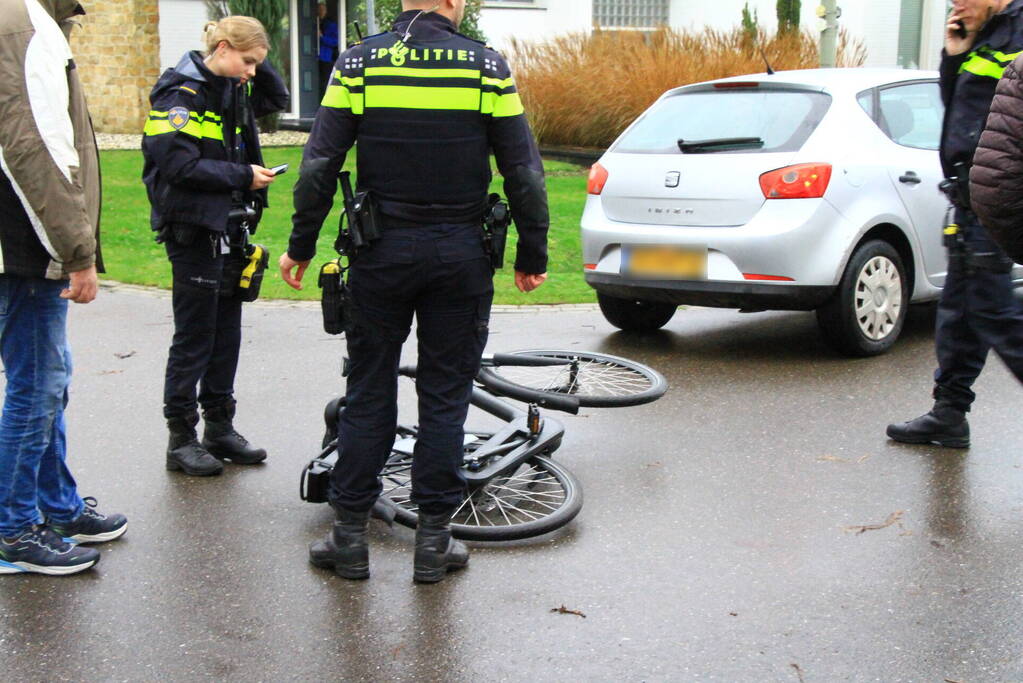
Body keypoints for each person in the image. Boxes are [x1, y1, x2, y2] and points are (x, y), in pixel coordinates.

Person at [280, 0, 549, 583]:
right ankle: (434, 542)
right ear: (454, 4)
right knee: (446, 395)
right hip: (460, 255)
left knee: (369, 386)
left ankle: (349, 537)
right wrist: (533, 251)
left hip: (381, 253)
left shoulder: (359, 64)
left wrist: (300, 245)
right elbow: (522, 169)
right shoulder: (486, 67)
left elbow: (319, 163)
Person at [0, 0, 127, 576]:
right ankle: (13, 529)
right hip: (22, 243)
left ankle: (54, 507)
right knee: (38, 384)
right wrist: (75, 251)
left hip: (21, 239)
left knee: (47, 379)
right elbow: (37, 147)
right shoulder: (23, 23)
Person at [143, 17, 289, 476]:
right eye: (246, 61)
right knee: (195, 337)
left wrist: (253, 59)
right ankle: (181, 438)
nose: (251, 73)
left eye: (254, 66)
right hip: (193, 228)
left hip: (229, 226)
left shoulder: (232, 85)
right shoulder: (180, 94)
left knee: (225, 333)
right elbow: (177, 165)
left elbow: (278, 98)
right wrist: (243, 176)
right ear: (222, 48)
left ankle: (219, 428)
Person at [886, 0, 1023, 449]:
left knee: (994, 311)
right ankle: (949, 413)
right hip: (966, 199)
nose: (955, 3)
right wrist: (954, 56)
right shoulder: (984, 34)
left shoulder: (1018, 32)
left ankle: (949, 412)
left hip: (997, 196)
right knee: (961, 313)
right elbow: (959, 109)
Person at [317, 2, 340, 98]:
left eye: (323, 10)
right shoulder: (311, 23)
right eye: (319, 10)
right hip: (313, 59)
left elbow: (335, 42)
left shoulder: (331, 25)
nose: (321, 12)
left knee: (324, 83)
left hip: (326, 58)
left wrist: (322, 37)